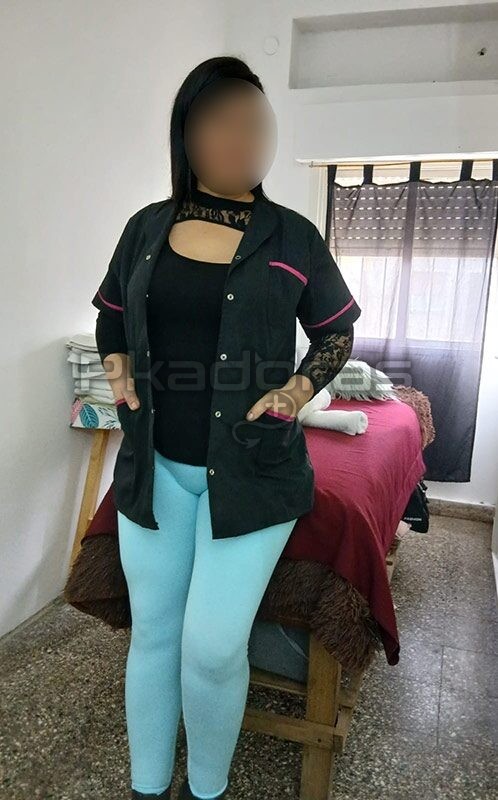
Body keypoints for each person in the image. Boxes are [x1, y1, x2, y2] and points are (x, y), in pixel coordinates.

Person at [92, 56, 361, 800]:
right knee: (154, 635)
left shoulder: (294, 238)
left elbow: (337, 333)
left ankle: (206, 790)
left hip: (255, 472)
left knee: (211, 648)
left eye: (253, 122)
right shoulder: (145, 229)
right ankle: (148, 786)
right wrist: (117, 369)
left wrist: (298, 389)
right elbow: (110, 314)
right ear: (186, 134)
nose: (239, 136)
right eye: (219, 120)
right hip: (156, 468)